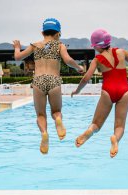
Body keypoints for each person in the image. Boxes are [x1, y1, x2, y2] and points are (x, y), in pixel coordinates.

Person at [13, 18, 84, 154]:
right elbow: (68, 60)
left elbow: (18, 57)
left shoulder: (35, 45)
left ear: (42, 32)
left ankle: (44, 133)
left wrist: (17, 47)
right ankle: (58, 119)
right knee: (56, 111)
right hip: (54, 80)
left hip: (38, 80)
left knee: (41, 114)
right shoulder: (60, 46)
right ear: (58, 33)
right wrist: (78, 67)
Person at [71, 29, 128, 158]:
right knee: (120, 126)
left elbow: (86, 78)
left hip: (108, 91)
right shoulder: (122, 52)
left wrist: (77, 90)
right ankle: (115, 139)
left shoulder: (97, 59)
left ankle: (89, 131)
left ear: (97, 45)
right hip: (124, 91)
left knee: (96, 124)